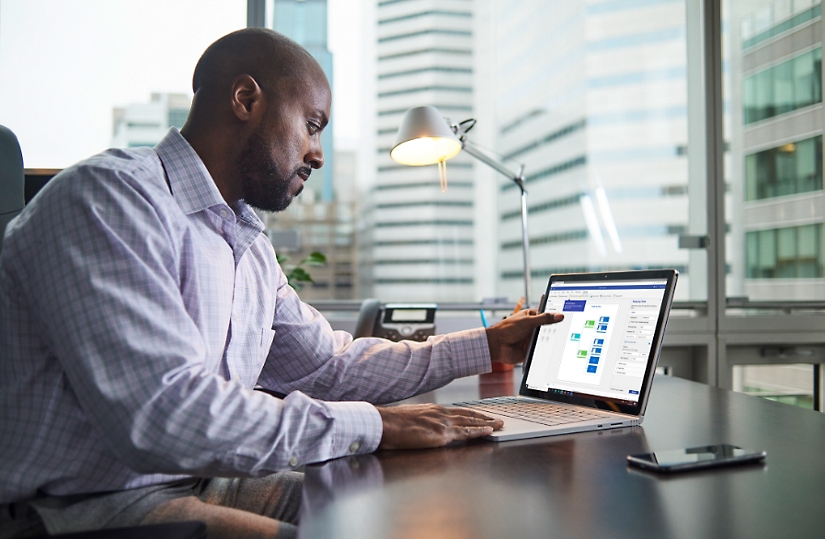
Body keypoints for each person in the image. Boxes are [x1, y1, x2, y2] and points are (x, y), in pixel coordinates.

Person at [0, 28, 562, 538]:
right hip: (78, 509)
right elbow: (168, 414)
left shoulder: (245, 241)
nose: (317, 153)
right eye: (312, 125)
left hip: (196, 481)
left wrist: (487, 347)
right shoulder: (109, 201)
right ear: (246, 100)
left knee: (407, 510)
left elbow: (328, 367)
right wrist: (376, 425)